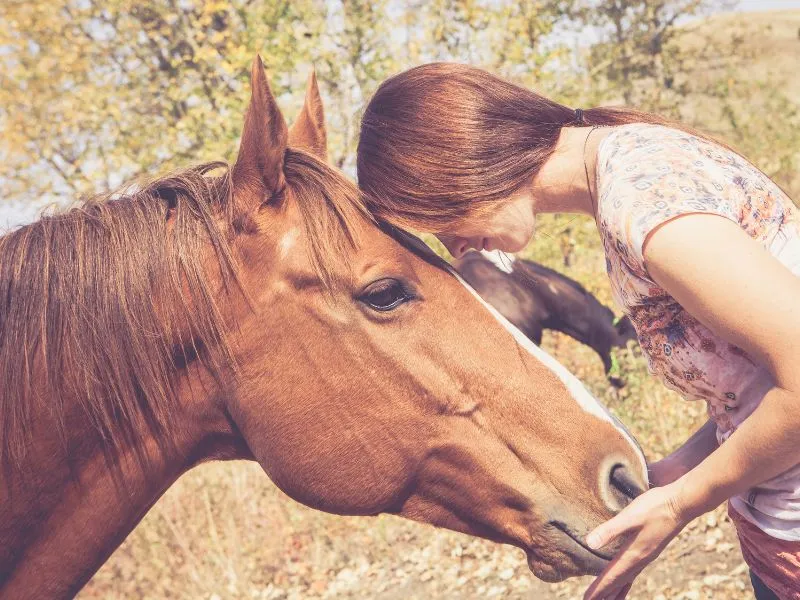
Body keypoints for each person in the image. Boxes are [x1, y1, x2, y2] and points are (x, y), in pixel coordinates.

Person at [356, 62, 800, 600]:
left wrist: (683, 503)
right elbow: (759, 390)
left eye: (442, 222)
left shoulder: (644, 205)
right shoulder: (632, 162)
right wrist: (668, 477)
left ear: (459, 170)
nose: (458, 247)